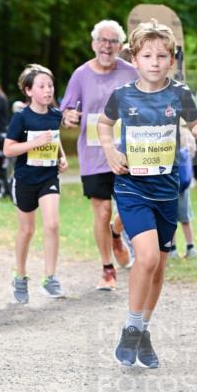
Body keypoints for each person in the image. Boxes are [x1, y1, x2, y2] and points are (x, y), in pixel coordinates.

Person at [97, 20, 197, 369]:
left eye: (162, 56)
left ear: (171, 60)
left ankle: (143, 329)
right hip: (132, 187)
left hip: (166, 191)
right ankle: (131, 327)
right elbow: (103, 124)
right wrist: (111, 152)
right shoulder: (122, 95)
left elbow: (196, 124)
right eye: (147, 55)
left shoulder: (180, 94)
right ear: (136, 59)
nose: (155, 62)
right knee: (145, 258)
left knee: (158, 267)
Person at [61, 19, 138, 291]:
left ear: (120, 46)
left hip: (126, 152)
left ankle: (117, 233)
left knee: (130, 208)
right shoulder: (81, 74)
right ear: (94, 44)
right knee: (102, 210)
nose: (107, 46)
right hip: (93, 154)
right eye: (102, 40)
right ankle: (107, 268)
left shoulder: (130, 72)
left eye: (113, 41)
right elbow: (67, 108)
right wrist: (69, 115)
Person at [3, 64, 69, 303]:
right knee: (27, 230)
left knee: (52, 224)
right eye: (42, 86)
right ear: (29, 91)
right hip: (25, 179)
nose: (48, 90)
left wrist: (61, 158)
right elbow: (8, 149)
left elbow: (54, 137)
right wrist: (34, 143)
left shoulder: (55, 115)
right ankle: (20, 276)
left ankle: (50, 278)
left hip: (48, 177)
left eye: (50, 85)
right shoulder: (21, 117)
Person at [169, 125, 197, 259]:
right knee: (185, 217)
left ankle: (172, 249)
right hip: (184, 181)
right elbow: (192, 152)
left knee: (171, 218)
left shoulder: (166, 132)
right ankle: (191, 247)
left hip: (169, 182)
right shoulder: (187, 134)